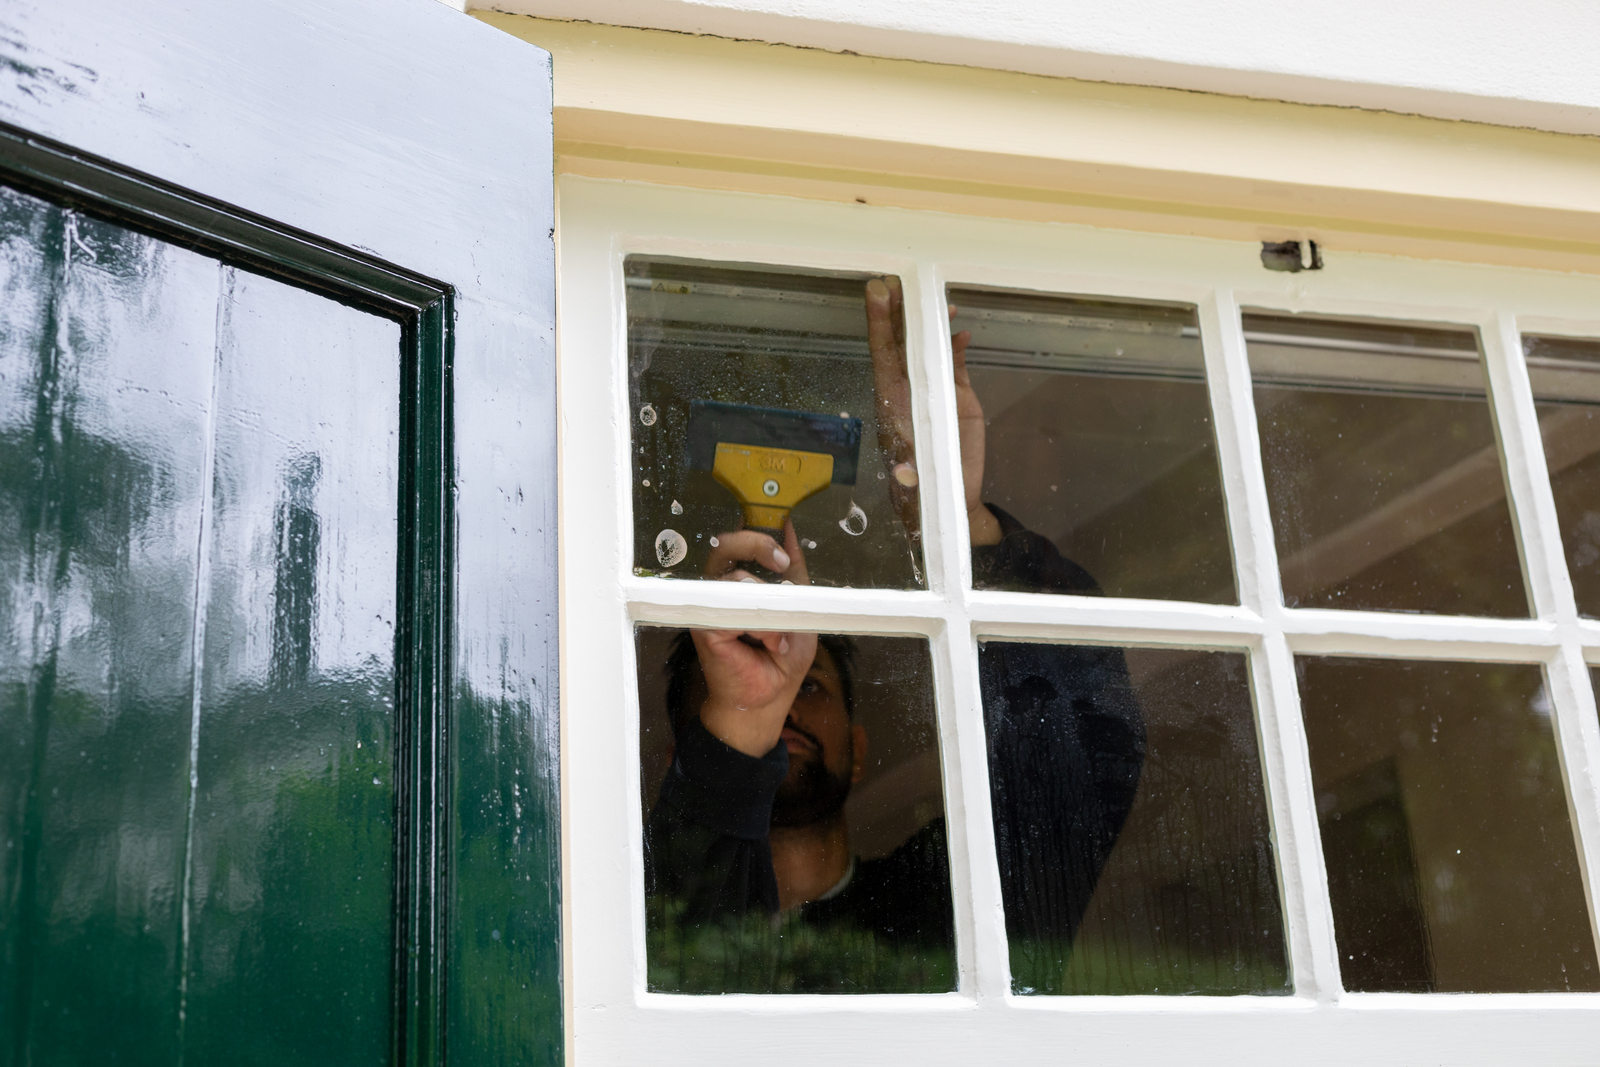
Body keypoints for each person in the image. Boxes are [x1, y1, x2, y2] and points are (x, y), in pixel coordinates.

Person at [644, 277, 1146, 991]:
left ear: (860, 750)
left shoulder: (949, 913)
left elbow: (1081, 759)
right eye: (725, 684)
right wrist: (742, 721)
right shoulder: (634, 923)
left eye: (810, 687)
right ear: (680, 760)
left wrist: (958, 523)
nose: (780, 704)